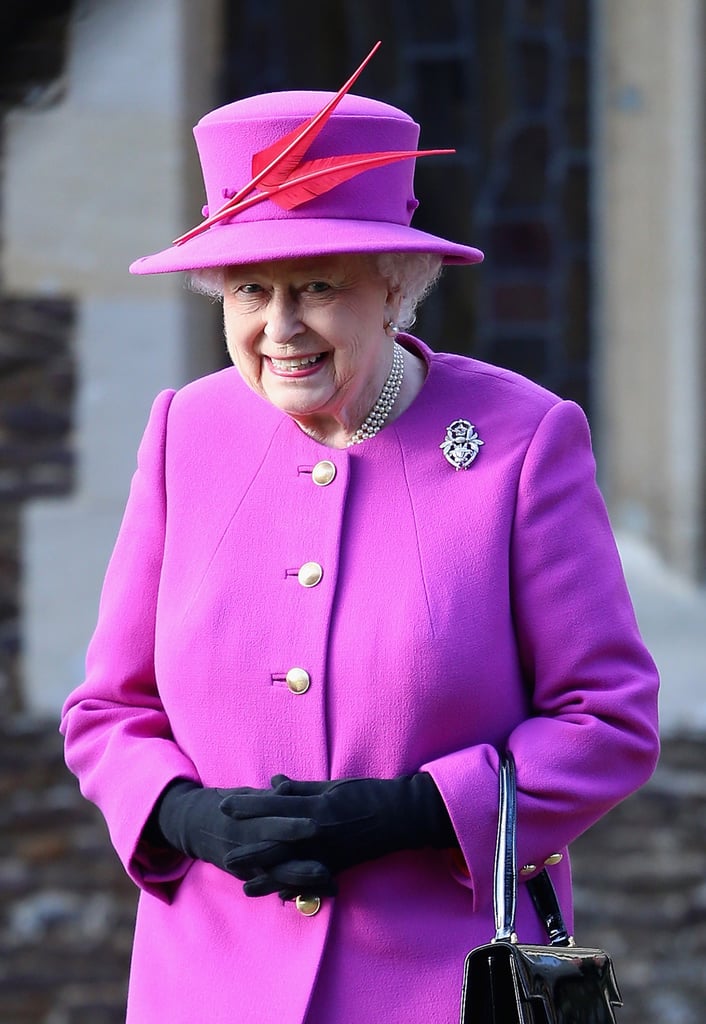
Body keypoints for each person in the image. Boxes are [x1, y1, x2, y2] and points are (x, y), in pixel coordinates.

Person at [60, 43, 659, 1024]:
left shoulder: (521, 441)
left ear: (393, 284)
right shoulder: (185, 433)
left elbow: (609, 720)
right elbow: (107, 712)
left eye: (317, 285)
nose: (280, 326)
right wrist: (184, 814)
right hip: (206, 985)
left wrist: (419, 810)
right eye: (250, 290)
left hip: (438, 984)